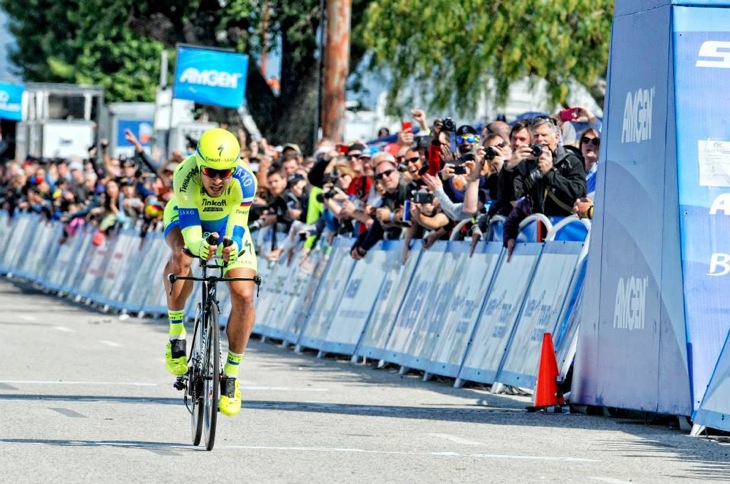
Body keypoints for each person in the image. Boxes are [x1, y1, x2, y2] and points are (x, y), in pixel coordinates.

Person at [162, 128, 258, 417]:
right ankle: (176, 334)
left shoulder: (246, 180)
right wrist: (199, 246)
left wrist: (232, 246)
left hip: (227, 223)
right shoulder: (185, 174)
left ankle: (230, 376)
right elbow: (192, 234)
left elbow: (239, 225)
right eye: (210, 172)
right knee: (182, 255)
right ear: (199, 164)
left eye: (224, 173)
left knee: (243, 294)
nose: (217, 180)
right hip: (186, 219)